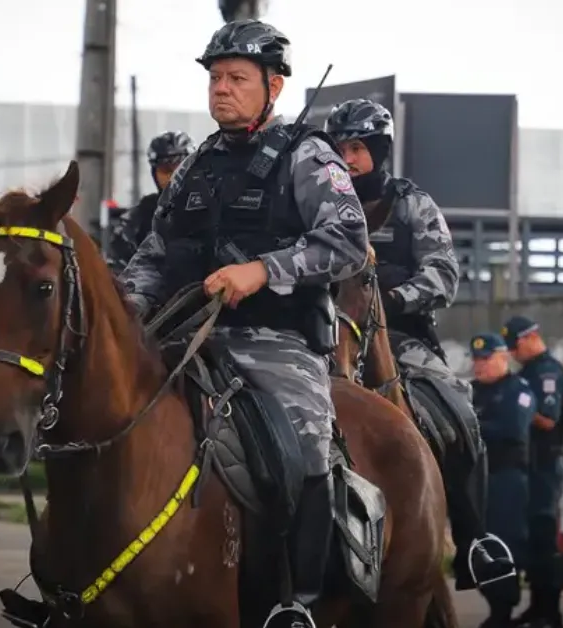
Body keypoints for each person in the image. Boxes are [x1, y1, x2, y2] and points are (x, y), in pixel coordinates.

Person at [119, 19, 368, 628]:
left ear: (273, 87)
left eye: (236, 78)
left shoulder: (308, 155)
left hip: (276, 342)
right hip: (185, 335)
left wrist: (263, 269)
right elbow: (156, 252)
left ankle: (294, 600)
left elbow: (349, 244)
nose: (221, 89)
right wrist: (124, 308)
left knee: (308, 447)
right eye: (215, 78)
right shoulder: (196, 165)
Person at [325, 98, 494, 589]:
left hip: (401, 338)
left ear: (379, 151)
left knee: (459, 411)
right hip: (325, 337)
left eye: (357, 148)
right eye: (340, 149)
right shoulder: (316, 203)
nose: (348, 158)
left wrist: (391, 303)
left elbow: (444, 274)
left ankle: (474, 539)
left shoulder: (412, 203)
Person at [503, 315, 563, 628]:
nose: (513, 353)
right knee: (528, 540)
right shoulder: (527, 371)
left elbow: (548, 419)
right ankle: (536, 607)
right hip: (526, 468)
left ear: (530, 337)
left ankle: (551, 613)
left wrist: (517, 410)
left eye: (515, 345)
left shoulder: (548, 372)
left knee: (544, 540)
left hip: (545, 468)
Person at [470, 333, 534, 628]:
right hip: (477, 482)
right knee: (477, 549)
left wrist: (471, 426)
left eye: (486, 359)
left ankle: (503, 612)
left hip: (506, 481)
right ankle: (496, 606)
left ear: (503, 358)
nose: (479, 366)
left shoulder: (518, 390)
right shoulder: (469, 392)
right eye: (476, 360)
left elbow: (512, 429)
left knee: (505, 546)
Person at [107, 131, 195, 274]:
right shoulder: (138, 218)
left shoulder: (214, 207)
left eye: (181, 169)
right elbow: (116, 270)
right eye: (166, 170)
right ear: (155, 173)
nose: (174, 176)